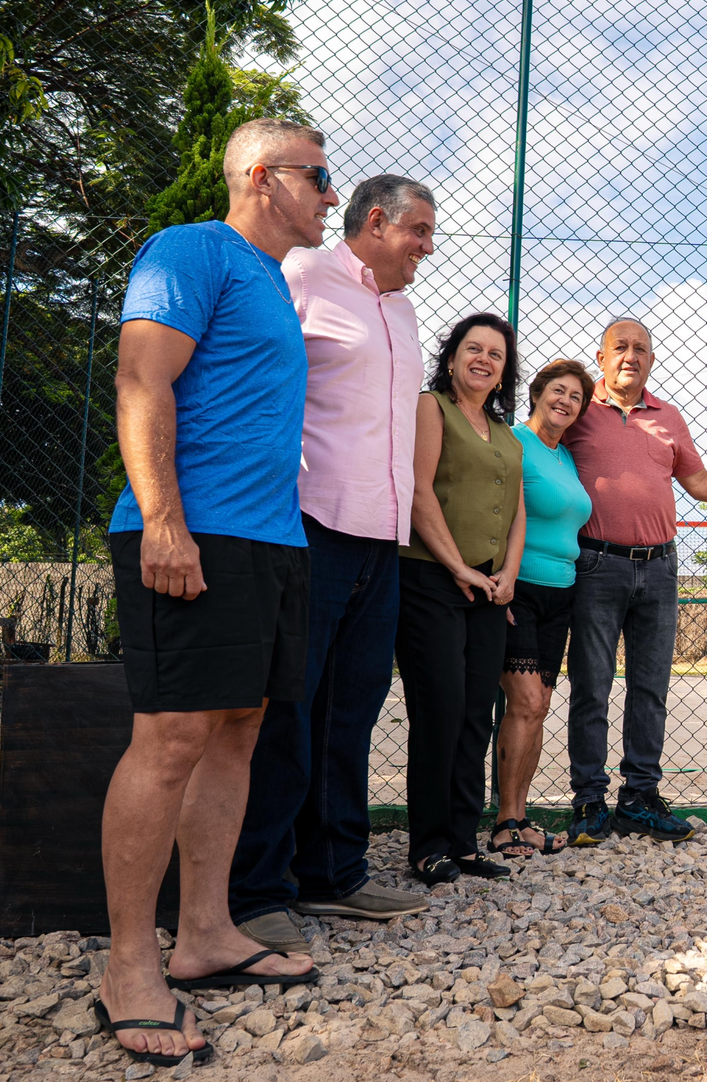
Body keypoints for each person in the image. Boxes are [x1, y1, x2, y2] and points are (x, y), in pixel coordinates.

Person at [99, 118, 329, 1065]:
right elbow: (141, 376)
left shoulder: (271, 282)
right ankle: (126, 965)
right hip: (194, 533)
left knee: (237, 730)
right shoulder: (193, 250)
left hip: (271, 541)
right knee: (173, 737)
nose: (328, 192)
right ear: (264, 178)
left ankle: (203, 934)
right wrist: (162, 519)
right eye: (318, 175)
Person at [227, 175, 435, 951]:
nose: (427, 247)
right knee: (288, 709)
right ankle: (258, 889)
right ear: (375, 222)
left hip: (382, 536)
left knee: (351, 712)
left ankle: (335, 873)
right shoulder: (304, 276)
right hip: (312, 524)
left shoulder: (405, 312)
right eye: (418, 230)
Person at [560, 318, 707, 846]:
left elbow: (701, 483)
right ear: (600, 357)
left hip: (661, 568)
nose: (631, 356)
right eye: (620, 348)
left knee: (650, 689)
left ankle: (640, 798)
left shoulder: (668, 417)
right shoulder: (577, 410)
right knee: (591, 687)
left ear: (650, 360)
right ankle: (589, 803)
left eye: (641, 349)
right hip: (596, 566)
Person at [396, 314, 526, 884]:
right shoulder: (432, 407)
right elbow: (418, 492)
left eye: (495, 355)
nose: (483, 360)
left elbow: (518, 510)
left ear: (503, 373)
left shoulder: (504, 431)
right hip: (431, 581)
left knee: (477, 717)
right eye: (473, 349)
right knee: (441, 712)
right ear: (451, 357)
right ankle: (427, 844)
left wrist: (508, 575)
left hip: (490, 590)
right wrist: (458, 567)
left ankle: (463, 842)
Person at [490, 359, 596, 858]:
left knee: (538, 708)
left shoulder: (565, 457)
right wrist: (501, 579)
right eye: (559, 390)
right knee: (526, 703)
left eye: (576, 397)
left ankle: (521, 816)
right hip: (521, 590)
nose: (566, 401)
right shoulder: (514, 443)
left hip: (562, 593)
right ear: (536, 393)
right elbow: (497, 513)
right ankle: (503, 821)